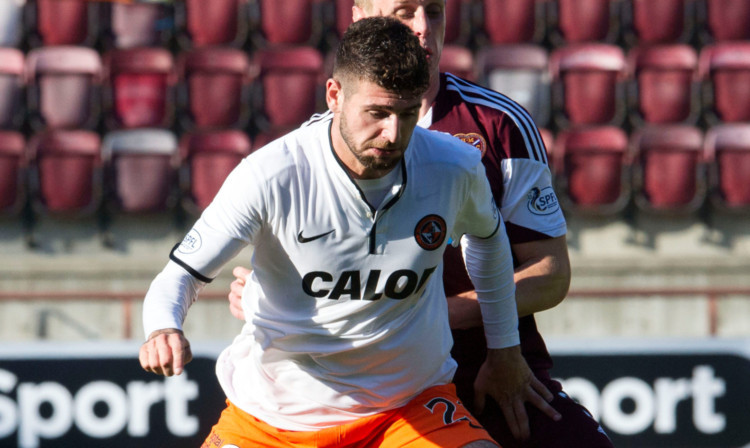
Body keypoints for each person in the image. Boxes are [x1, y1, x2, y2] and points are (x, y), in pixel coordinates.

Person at [139, 17, 561, 448]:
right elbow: (180, 275)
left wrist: (505, 345)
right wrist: (162, 329)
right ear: (335, 95)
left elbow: (488, 242)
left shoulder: (454, 167)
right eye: (377, 113)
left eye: (407, 113)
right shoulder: (271, 175)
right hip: (273, 420)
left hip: (407, 406)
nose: (393, 134)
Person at [227, 1, 614, 446]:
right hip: (376, 392)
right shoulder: (315, 147)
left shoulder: (499, 124)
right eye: (404, 11)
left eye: (434, 11)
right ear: (360, 19)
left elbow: (550, 273)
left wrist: (452, 319)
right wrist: (268, 296)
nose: (422, 29)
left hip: (495, 368)